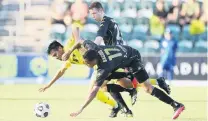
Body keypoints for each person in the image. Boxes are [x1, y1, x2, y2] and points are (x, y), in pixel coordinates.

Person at [68, 40, 185, 120]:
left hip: (132, 57)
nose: (86, 64)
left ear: (95, 60)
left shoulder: (104, 68)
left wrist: (81, 109)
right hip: (121, 57)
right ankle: (134, 91)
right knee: (105, 86)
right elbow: (79, 41)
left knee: (147, 88)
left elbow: (93, 92)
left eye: (88, 63)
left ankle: (176, 105)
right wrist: (68, 52)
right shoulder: (93, 47)